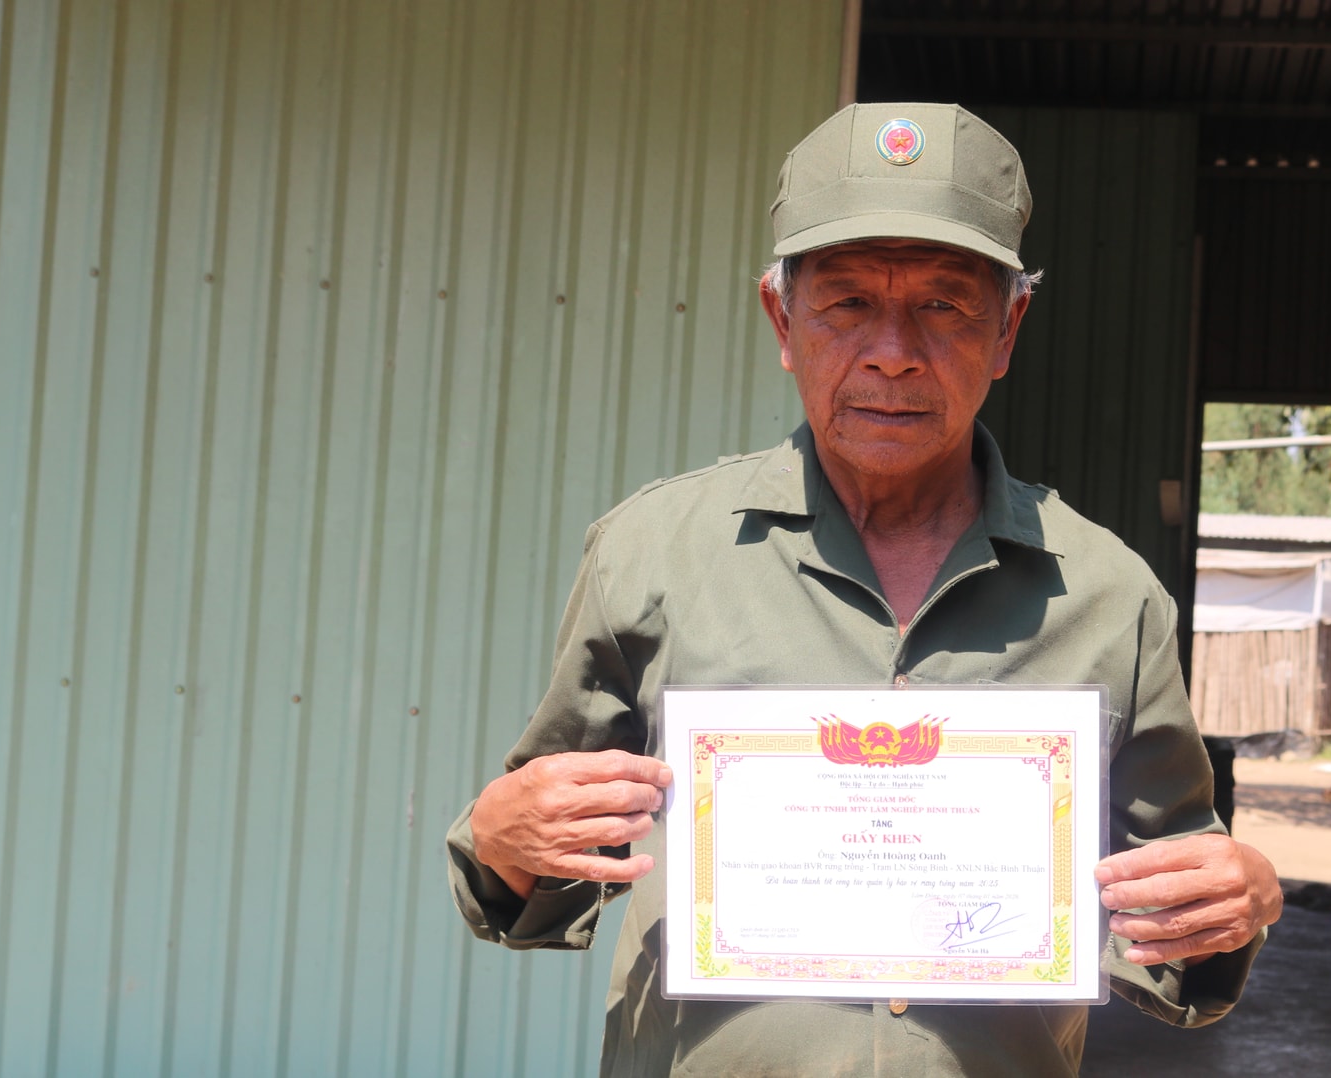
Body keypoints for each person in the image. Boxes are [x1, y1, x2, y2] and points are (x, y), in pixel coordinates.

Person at [448, 102, 1281, 1077]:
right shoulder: (652, 554)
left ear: (1008, 328)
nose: (892, 349)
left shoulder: (1107, 596)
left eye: (944, 304)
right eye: (846, 302)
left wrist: (1238, 896)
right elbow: (539, 872)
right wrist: (502, 839)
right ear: (783, 320)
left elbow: (1175, 926)